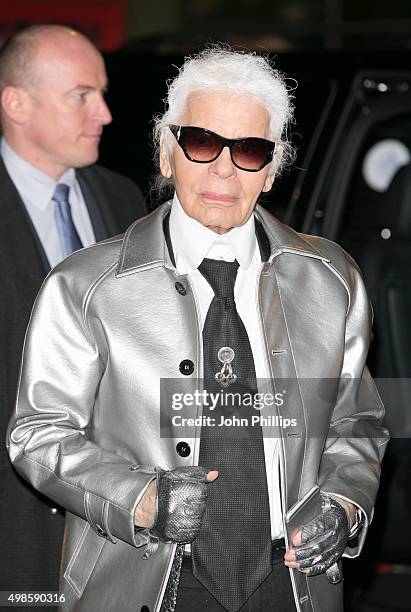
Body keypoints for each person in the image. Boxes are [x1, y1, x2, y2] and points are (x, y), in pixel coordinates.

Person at [7, 47, 388, 612]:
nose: (224, 170)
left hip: (294, 586)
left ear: (273, 168)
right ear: (167, 154)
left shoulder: (332, 281)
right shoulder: (87, 285)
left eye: (250, 150)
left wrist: (343, 501)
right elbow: (37, 433)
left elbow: (356, 423)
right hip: (144, 579)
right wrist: (139, 499)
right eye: (202, 143)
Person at [0, 25, 147, 595]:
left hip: (115, 517)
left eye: (102, 93)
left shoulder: (122, 198)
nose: (105, 114)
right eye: (81, 95)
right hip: (15, 519)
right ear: (16, 102)